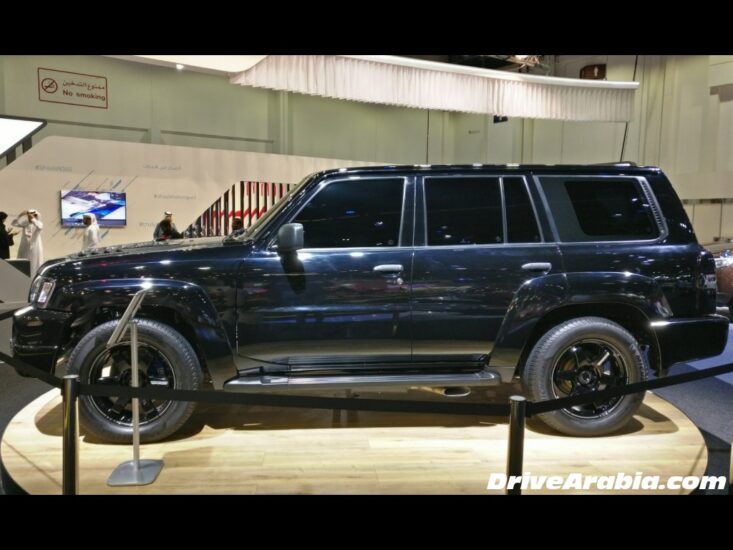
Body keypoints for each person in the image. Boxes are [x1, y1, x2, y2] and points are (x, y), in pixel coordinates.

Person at [12, 209, 44, 275]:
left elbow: (39, 227)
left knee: (34, 261)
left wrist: (33, 219)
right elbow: (14, 223)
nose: (29, 217)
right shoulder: (25, 223)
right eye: (28, 215)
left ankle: (34, 276)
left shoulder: (38, 223)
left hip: (35, 246)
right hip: (25, 245)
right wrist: (20, 215)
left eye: (32, 215)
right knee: (24, 260)